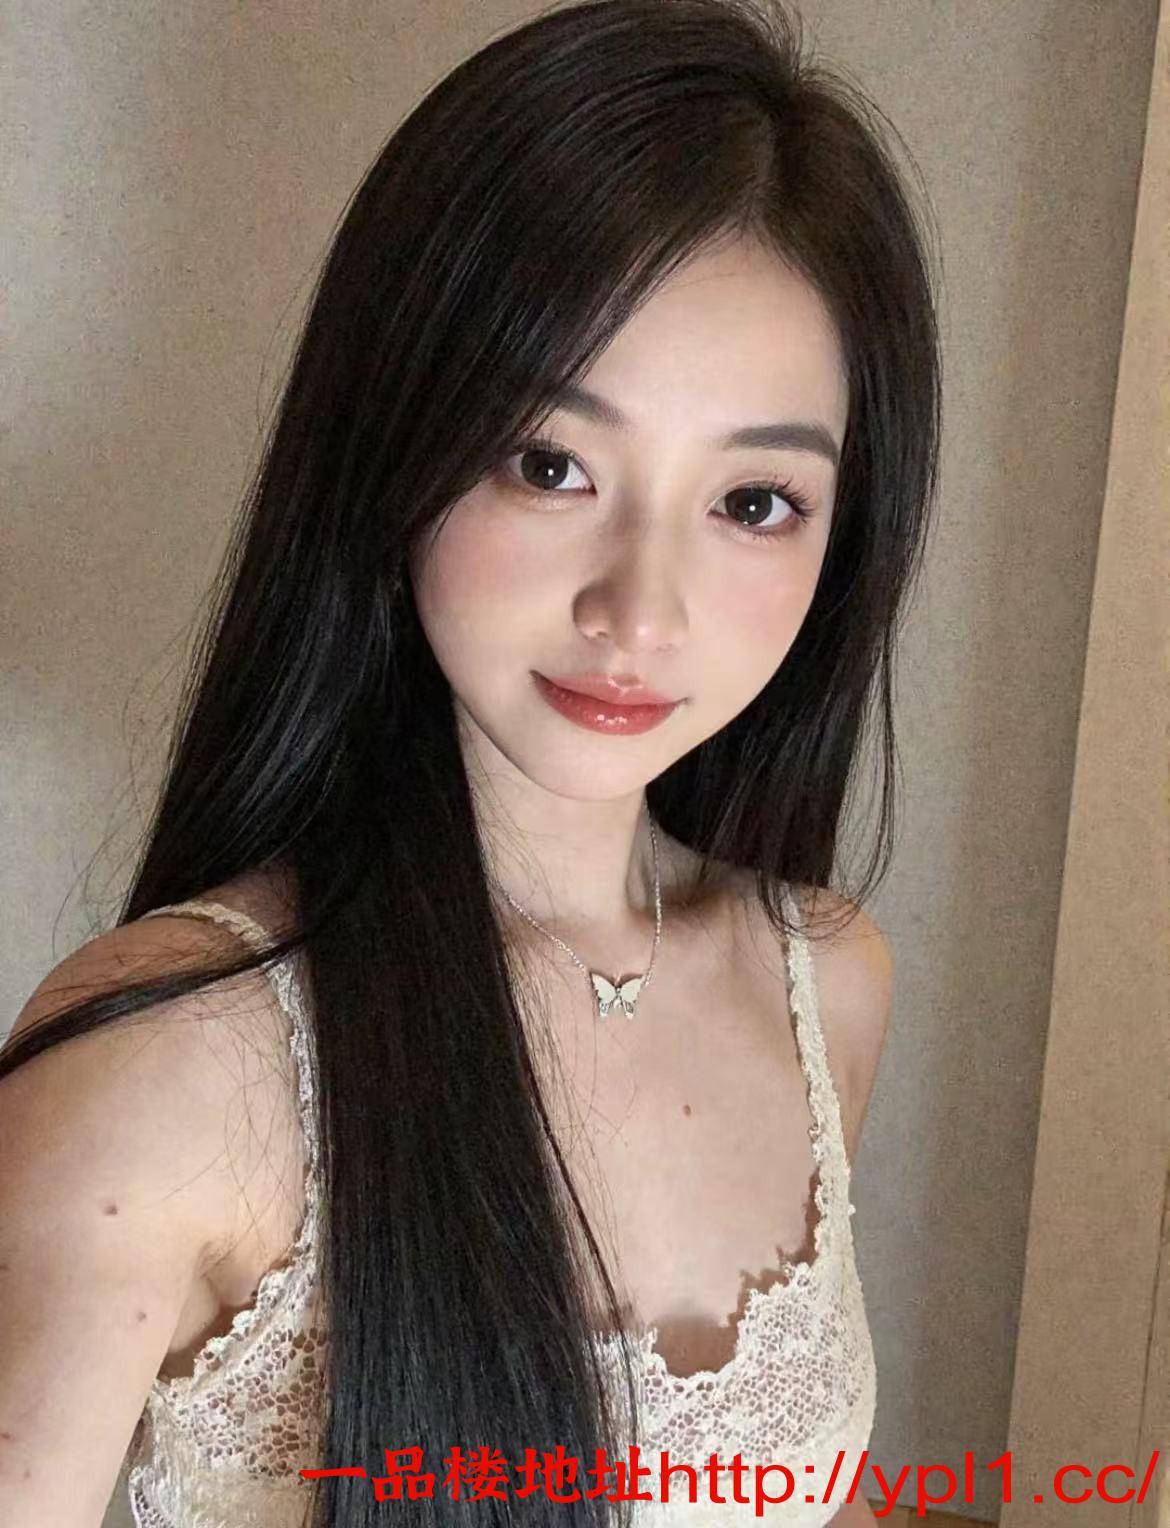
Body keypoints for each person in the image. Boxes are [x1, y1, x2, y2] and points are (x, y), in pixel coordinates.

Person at [0, 0, 942, 1524]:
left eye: (752, 502)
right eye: (549, 463)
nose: (640, 611)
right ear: (397, 443)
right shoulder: (172, 1067)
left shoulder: (822, 980)